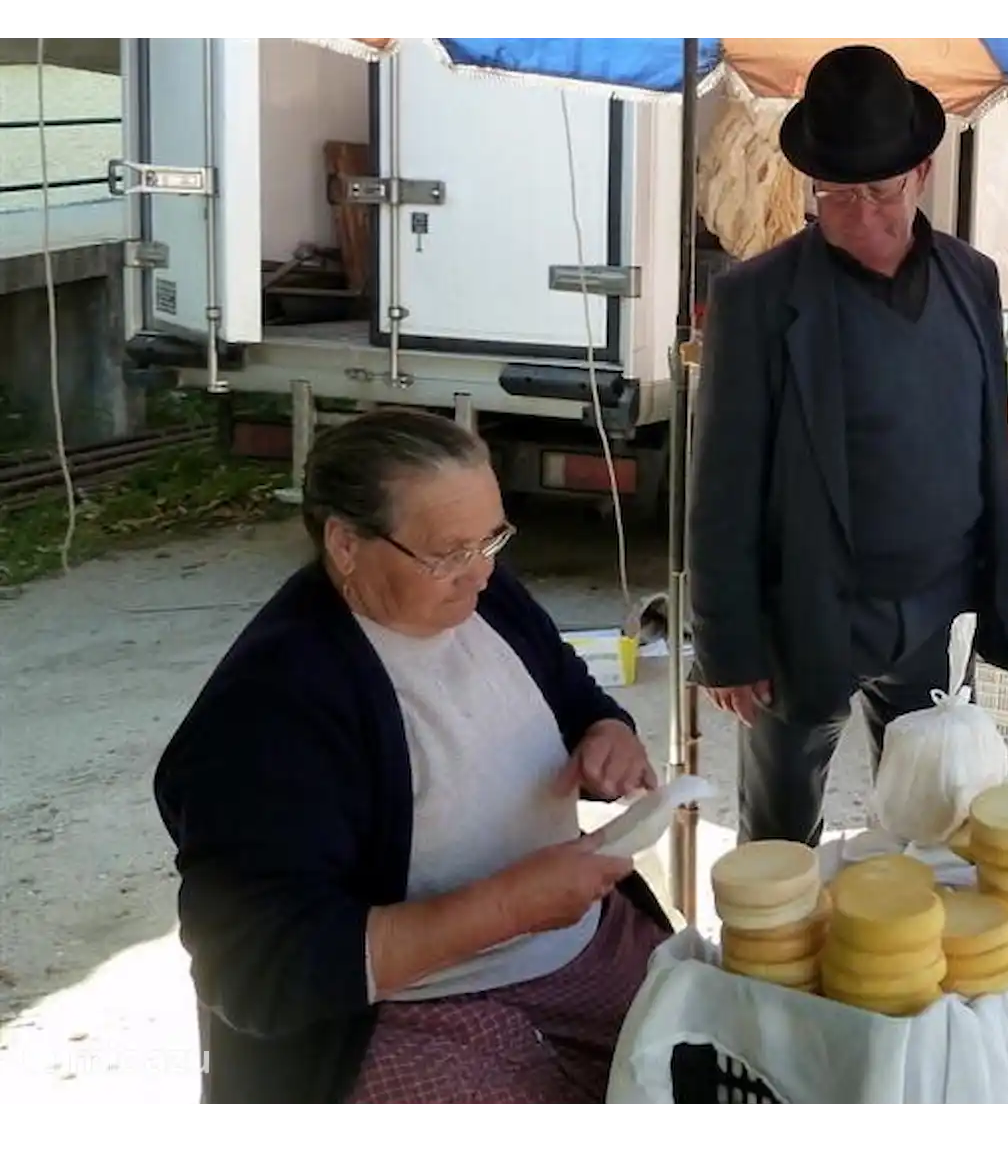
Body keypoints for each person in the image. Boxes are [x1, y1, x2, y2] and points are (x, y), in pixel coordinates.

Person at [152, 408, 675, 1107]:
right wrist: (507, 907)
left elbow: (567, 684)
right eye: (449, 552)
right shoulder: (271, 708)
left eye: (493, 538)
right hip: (420, 1009)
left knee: (710, 1052)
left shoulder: (485, 594)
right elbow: (256, 969)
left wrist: (606, 729)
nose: (481, 572)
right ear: (345, 544)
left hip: (579, 944)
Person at [688, 44, 1008, 846]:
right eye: (836, 195)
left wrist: (998, 582)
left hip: (939, 610)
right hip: (806, 612)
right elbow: (723, 483)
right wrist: (727, 645)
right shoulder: (756, 298)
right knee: (779, 839)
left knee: (931, 828)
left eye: (879, 191)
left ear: (922, 173)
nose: (860, 216)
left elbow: (987, 439)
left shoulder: (972, 280)